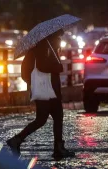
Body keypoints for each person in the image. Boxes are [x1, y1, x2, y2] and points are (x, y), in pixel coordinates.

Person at [6, 29, 75, 160]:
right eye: (59, 37)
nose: (60, 40)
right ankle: (16, 140)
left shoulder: (48, 48)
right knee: (41, 119)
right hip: (46, 91)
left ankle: (58, 148)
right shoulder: (43, 48)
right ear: (53, 37)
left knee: (58, 117)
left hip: (50, 90)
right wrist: (57, 68)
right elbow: (43, 66)